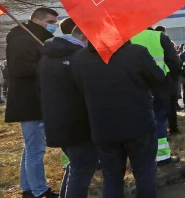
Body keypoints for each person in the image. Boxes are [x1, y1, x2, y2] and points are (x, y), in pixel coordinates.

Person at [71, 35, 168, 198]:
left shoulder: (79, 59)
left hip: (103, 126)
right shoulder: (137, 52)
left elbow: (79, 90)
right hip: (139, 124)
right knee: (145, 172)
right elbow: (158, 79)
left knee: (112, 177)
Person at [38, 19, 98, 198]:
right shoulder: (78, 58)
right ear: (85, 37)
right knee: (82, 170)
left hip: (56, 121)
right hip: (79, 124)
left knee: (75, 167)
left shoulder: (47, 58)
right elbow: (89, 91)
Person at [5, 7, 59, 198]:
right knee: (36, 149)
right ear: (37, 20)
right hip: (30, 101)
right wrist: (49, 65)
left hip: (32, 99)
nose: (54, 26)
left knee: (31, 148)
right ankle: (40, 191)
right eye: (50, 22)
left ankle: (29, 188)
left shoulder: (31, 37)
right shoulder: (23, 38)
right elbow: (21, 68)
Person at [131, 26, 181, 165]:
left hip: (135, 87)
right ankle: (162, 156)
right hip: (160, 86)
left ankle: (144, 157)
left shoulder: (126, 39)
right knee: (159, 119)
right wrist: (172, 81)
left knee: (139, 122)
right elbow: (173, 62)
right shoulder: (159, 36)